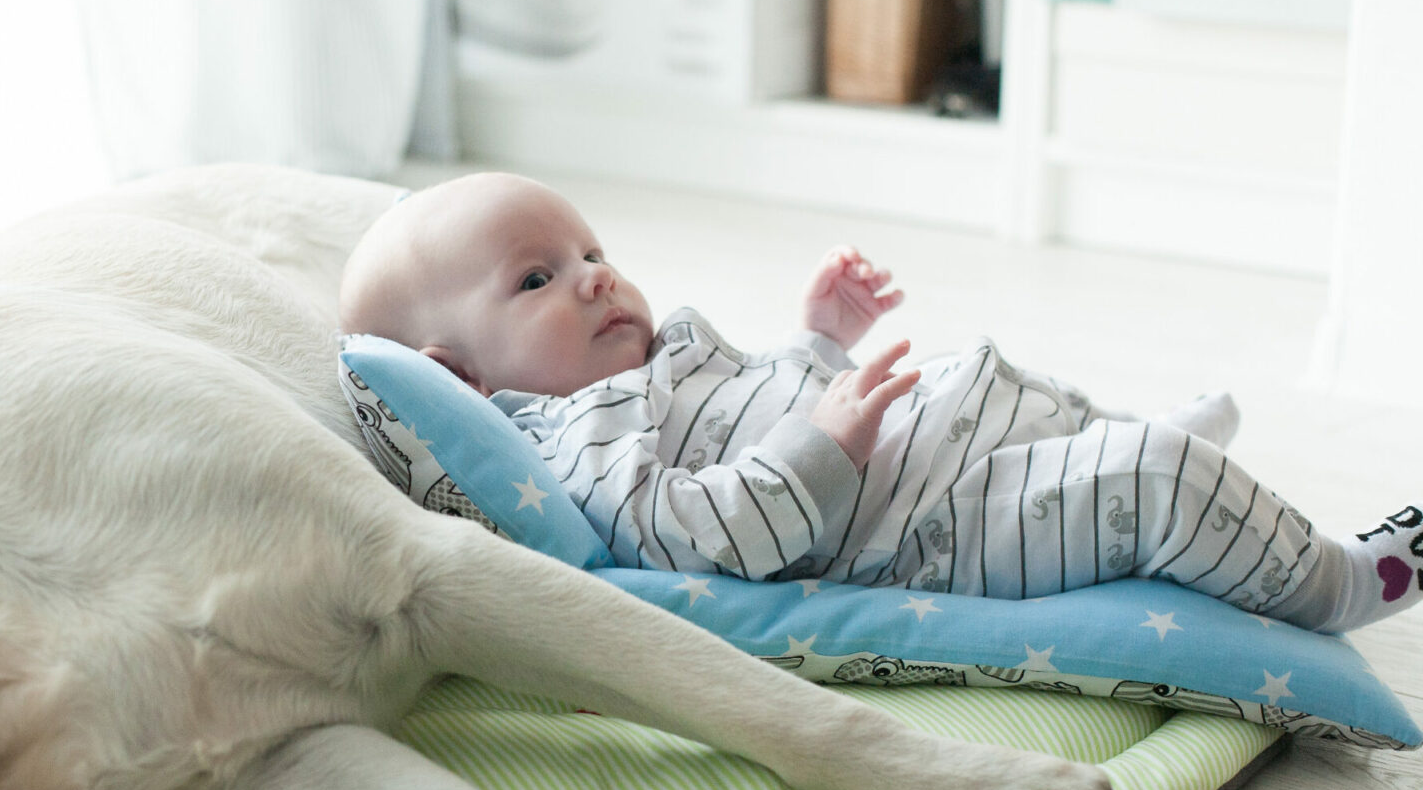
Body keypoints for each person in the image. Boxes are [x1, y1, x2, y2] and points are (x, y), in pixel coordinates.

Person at [336, 172, 1420, 634]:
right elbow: (698, 531)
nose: (592, 277)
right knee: (1145, 482)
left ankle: (1140, 467)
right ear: (465, 380)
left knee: (1000, 390)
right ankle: (1334, 580)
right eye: (536, 280)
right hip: (933, 529)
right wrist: (820, 445)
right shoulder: (579, 435)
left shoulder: (638, 371)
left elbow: (749, 406)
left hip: (922, 455)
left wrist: (812, 339)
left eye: (591, 251)